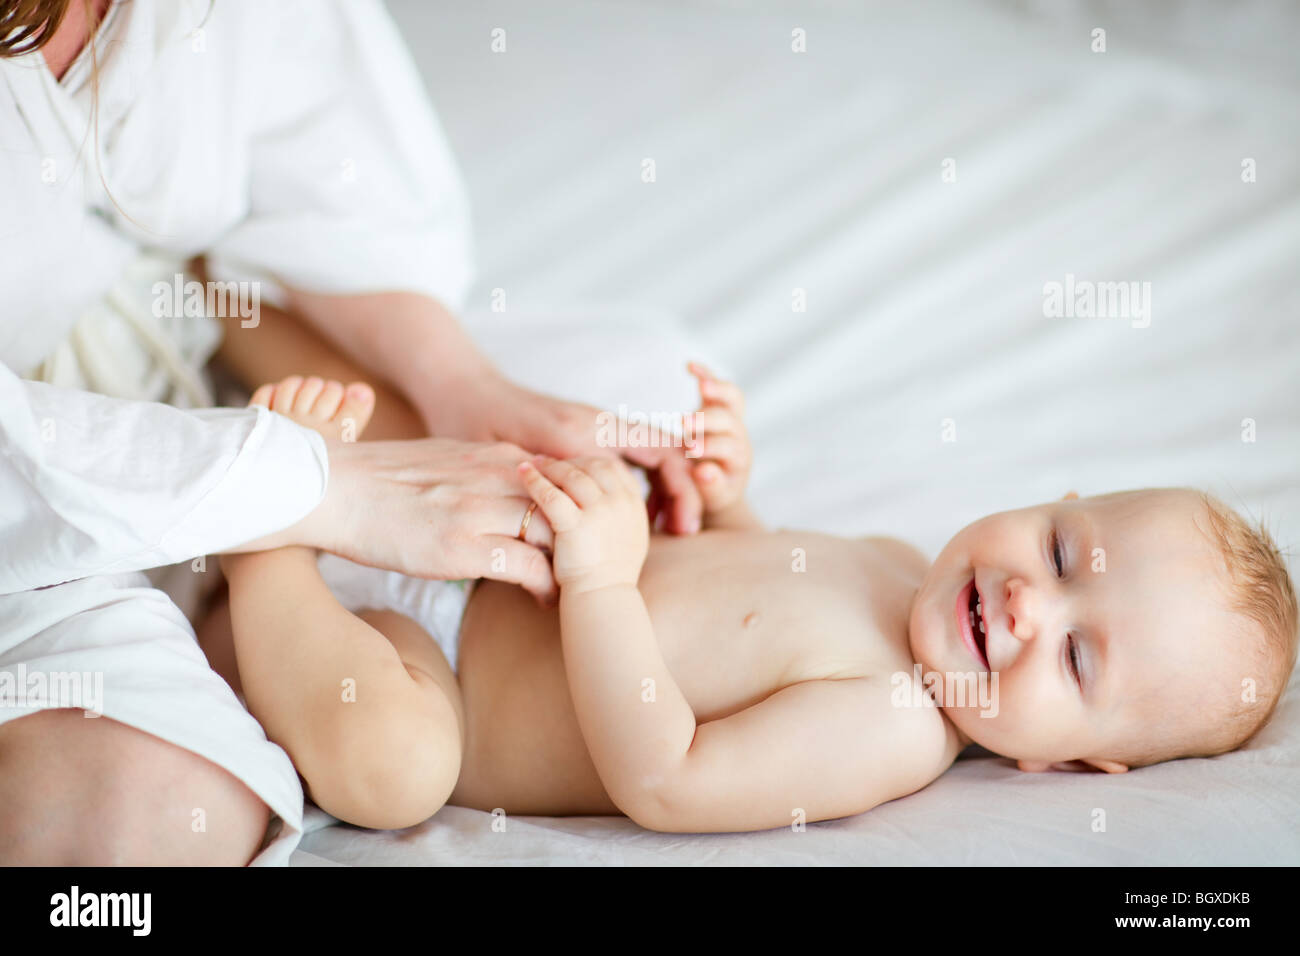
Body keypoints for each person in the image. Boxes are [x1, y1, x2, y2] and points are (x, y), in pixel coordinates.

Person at [0, 0, 698, 864]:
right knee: (377, 768)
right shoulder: (890, 696)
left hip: (267, 406)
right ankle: (261, 554)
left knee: (664, 386)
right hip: (48, 482)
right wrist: (292, 494)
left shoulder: (891, 613)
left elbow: (306, 169)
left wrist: (461, 388)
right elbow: (671, 774)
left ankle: (259, 546)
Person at [213, 365, 1298, 833]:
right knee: (509, 417)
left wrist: (598, 578)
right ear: (1050, 500)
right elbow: (750, 584)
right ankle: (305, 478)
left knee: (396, 769)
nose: (1026, 604)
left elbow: (668, 775)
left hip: (438, 675)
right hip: (474, 545)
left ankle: (259, 543)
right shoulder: (894, 559)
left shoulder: (892, 726)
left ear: (1069, 761)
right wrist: (724, 499)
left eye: (1075, 658)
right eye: (1063, 551)